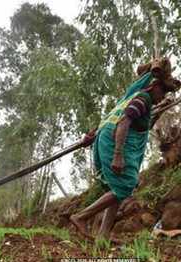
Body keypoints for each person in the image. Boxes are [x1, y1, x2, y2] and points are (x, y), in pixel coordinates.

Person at [70, 57, 181, 240]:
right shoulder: (143, 98)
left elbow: (140, 126)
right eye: (162, 91)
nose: (162, 97)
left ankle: (103, 235)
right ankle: (81, 217)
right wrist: (118, 155)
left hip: (103, 138)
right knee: (126, 184)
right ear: (154, 86)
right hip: (113, 141)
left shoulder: (134, 100)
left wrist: (161, 108)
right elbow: (124, 122)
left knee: (117, 189)